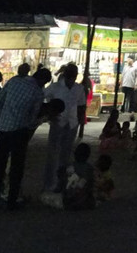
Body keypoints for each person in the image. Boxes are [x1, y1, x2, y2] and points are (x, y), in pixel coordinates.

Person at [0, 66, 52, 210]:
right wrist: (41, 120)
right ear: (42, 81)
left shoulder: (14, 81)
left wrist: (4, 115)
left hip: (3, 129)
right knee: (16, 168)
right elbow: (32, 118)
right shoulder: (37, 92)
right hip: (19, 132)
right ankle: (12, 200)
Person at [42, 62, 87, 193]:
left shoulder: (79, 89)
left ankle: (61, 183)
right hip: (58, 122)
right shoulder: (55, 87)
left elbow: (81, 106)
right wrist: (50, 114)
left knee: (65, 154)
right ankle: (50, 183)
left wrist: (79, 121)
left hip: (72, 123)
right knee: (52, 154)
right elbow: (43, 97)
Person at [62, 143, 96, 210]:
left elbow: (63, 182)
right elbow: (90, 185)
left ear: (75, 154)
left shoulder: (69, 166)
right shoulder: (89, 168)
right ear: (87, 156)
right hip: (82, 198)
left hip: (69, 198)